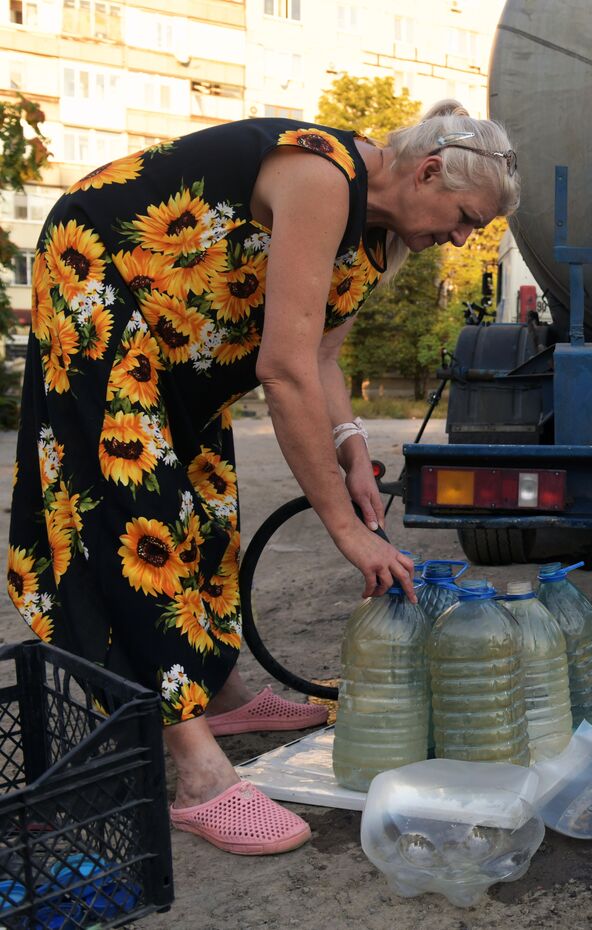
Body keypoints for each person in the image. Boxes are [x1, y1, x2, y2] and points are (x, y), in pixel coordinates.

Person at [7, 101, 520, 853]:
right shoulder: (321, 173)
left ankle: (219, 694)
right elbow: (281, 370)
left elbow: (318, 360)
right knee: (134, 511)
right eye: (465, 217)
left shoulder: (380, 242)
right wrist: (345, 530)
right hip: (101, 279)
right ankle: (196, 773)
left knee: (206, 498)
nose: (462, 238)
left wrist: (350, 448)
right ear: (431, 171)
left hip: (179, 336)